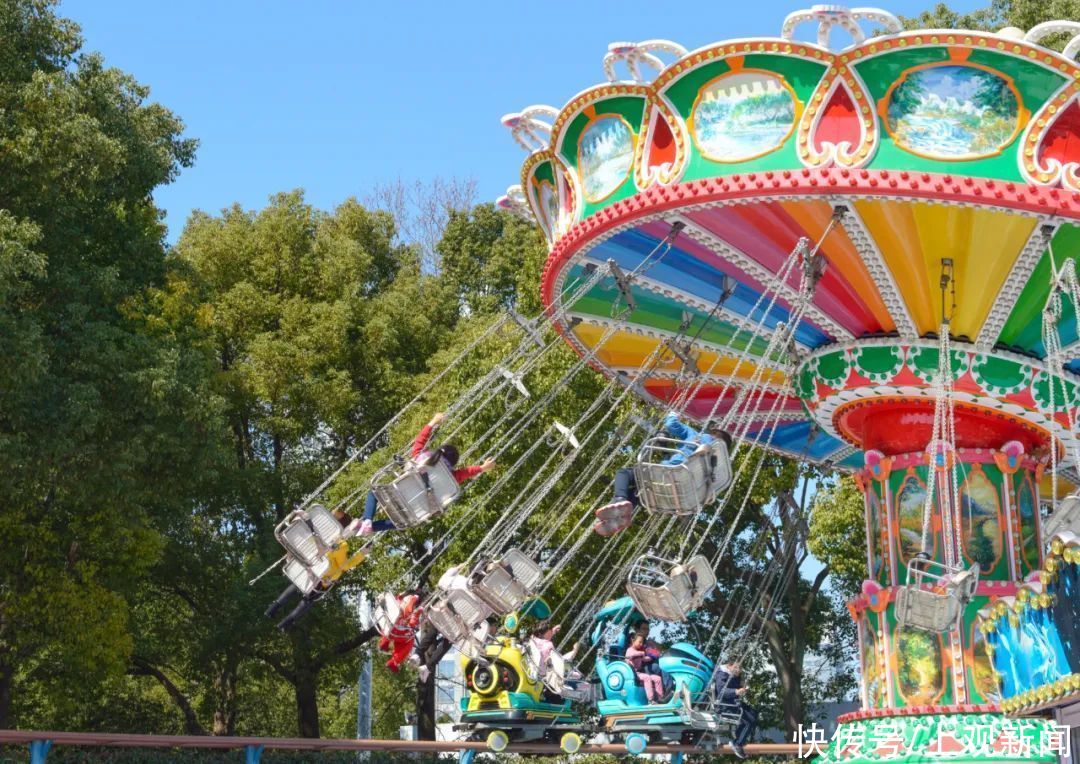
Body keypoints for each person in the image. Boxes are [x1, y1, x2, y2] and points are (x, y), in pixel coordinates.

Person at [594, 412, 730, 536]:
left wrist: (674, 413)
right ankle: (620, 514)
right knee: (639, 493)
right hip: (680, 498)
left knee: (625, 474)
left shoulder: (699, 436)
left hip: (668, 474)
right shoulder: (717, 470)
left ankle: (619, 500)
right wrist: (665, 451)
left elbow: (671, 425)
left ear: (713, 432)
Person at [360, 412, 496, 535]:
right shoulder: (451, 478)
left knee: (373, 492)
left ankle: (367, 521)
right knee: (402, 523)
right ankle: (372, 528)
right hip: (415, 511)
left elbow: (420, 440)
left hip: (399, 493)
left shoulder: (421, 457)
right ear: (453, 463)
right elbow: (467, 472)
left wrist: (433, 421)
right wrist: (482, 467)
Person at [265, 509, 369, 631]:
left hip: (306, 567)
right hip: (322, 577)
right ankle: (286, 623)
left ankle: (272, 609)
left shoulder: (318, 532)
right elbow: (344, 565)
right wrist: (361, 554)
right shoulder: (341, 544)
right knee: (309, 600)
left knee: (297, 585)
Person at [713, 661, 758, 759]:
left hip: (732, 704)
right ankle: (737, 744)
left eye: (740, 668)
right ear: (730, 665)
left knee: (753, 713)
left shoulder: (733, 674)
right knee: (747, 722)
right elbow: (721, 691)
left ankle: (739, 737)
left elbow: (737, 686)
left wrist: (742, 687)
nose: (739, 670)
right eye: (737, 668)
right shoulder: (722, 674)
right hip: (724, 707)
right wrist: (736, 691)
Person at [379, 590, 423, 672]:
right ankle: (394, 662)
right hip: (397, 631)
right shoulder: (413, 606)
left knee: (391, 625)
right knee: (410, 641)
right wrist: (418, 613)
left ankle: (384, 643)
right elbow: (412, 623)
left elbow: (399, 598)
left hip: (388, 626)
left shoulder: (399, 599)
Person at [625, 634, 664, 703]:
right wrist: (641, 653)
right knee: (647, 677)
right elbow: (630, 655)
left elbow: (645, 659)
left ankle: (660, 698)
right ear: (633, 640)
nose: (641, 644)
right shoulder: (630, 650)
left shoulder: (639, 652)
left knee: (658, 678)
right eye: (639, 642)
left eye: (642, 642)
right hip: (633, 674)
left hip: (639, 673)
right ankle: (650, 700)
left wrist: (653, 656)